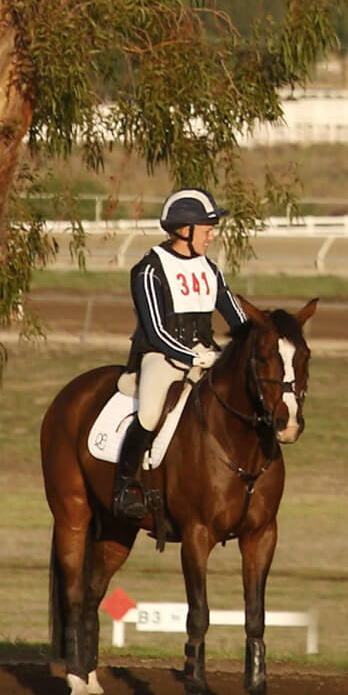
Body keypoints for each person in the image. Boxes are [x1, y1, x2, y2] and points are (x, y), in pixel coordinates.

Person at [111, 188, 251, 520]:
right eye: (207, 229)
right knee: (149, 413)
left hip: (206, 355)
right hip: (161, 357)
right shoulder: (149, 270)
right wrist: (191, 357)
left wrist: (252, 344)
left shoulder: (210, 270)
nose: (212, 236)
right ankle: (123, 488)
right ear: (184, 230)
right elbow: (157, 330)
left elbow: (238, 319)